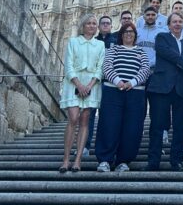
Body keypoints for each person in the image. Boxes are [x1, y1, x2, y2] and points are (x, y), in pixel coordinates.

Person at [94, 22, 151, 172]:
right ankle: (105, 159)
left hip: (135, 92)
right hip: (113, 91)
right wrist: (118, 81)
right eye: (126, 32)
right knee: (109, 124)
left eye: (131, 32)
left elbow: (145, 69)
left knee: (132, 127)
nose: (129, 34)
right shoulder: (114, 50)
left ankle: (123, 160)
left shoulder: (141, 52)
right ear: (121, 35)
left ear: (135, 35)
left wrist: (132, 82)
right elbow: (107, 66)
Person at [146, 11, 183, 171]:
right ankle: (153, 161)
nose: (177, 24)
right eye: (174, 21)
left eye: (180, 21)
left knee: (180, 126)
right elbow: (168, 54)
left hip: (182, 89)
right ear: (169, 25)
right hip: (162, 87)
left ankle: (176, 160)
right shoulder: (162, 38)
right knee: (157, 125)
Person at [59, 13, 105, 173]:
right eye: (89, 23)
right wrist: (79, 84)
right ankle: (65, 159)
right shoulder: (73, 42)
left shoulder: (100, 45)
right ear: (83, 26)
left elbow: (100, 67)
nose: (92, 26)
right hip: (73, 83)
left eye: (94, 23)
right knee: (72, 119)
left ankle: (77, 160)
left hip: (91, 84)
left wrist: (90, 85)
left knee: (85, 121)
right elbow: (68, 65)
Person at [85, 15, 118, 154]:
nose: (105, 25)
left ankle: (103, 146)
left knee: (106, 115)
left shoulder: (116, 41)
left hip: (109, 82)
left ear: (111, 26)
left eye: (108, 23)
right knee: (89, 114)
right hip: (93, 82)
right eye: (103, 23)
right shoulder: (92, 41)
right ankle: (85, 145)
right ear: (99, 26)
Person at [136, 6, 167, 71]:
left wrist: (149, 64)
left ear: (157, 17)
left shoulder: (162, 32)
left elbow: (162, 52)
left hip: (154, 69)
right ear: (144, 17)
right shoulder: (136, 31)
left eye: (153, 15)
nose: (150, 17)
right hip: (137, 67)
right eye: (148, 15)